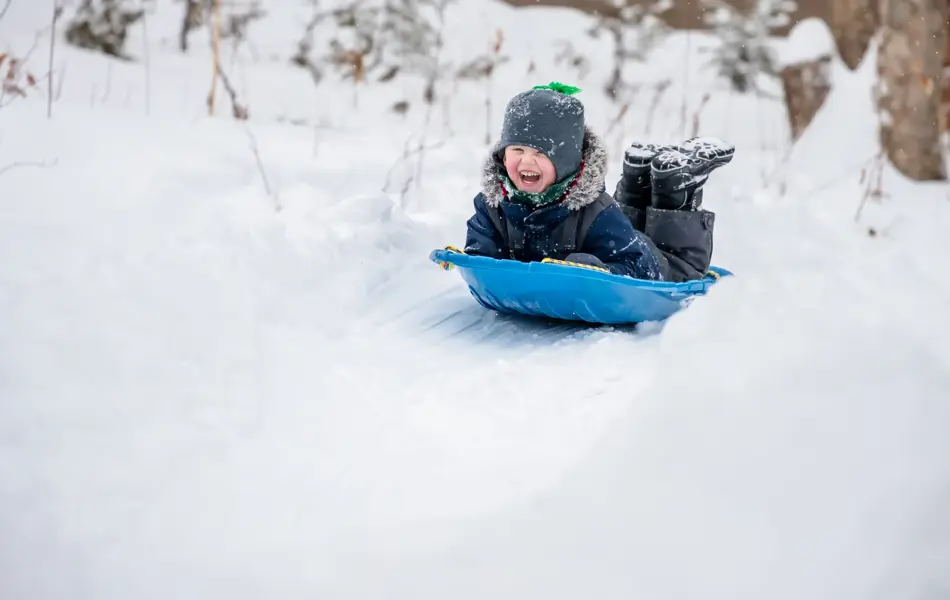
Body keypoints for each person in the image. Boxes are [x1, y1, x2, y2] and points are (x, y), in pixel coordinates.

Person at [463, 82, 734, 282]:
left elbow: (638, 267)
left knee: (681, 272)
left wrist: (593, 271)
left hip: (657, 266)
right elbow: (480, 251)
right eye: (517, 151)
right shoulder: (492, 204)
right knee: (626, 228)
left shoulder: (596, 212)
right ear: (502, 153)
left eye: (540, 153)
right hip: (623, 238)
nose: (526, 162)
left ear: (567, 161)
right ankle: (636, 176)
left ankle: (675, 184)